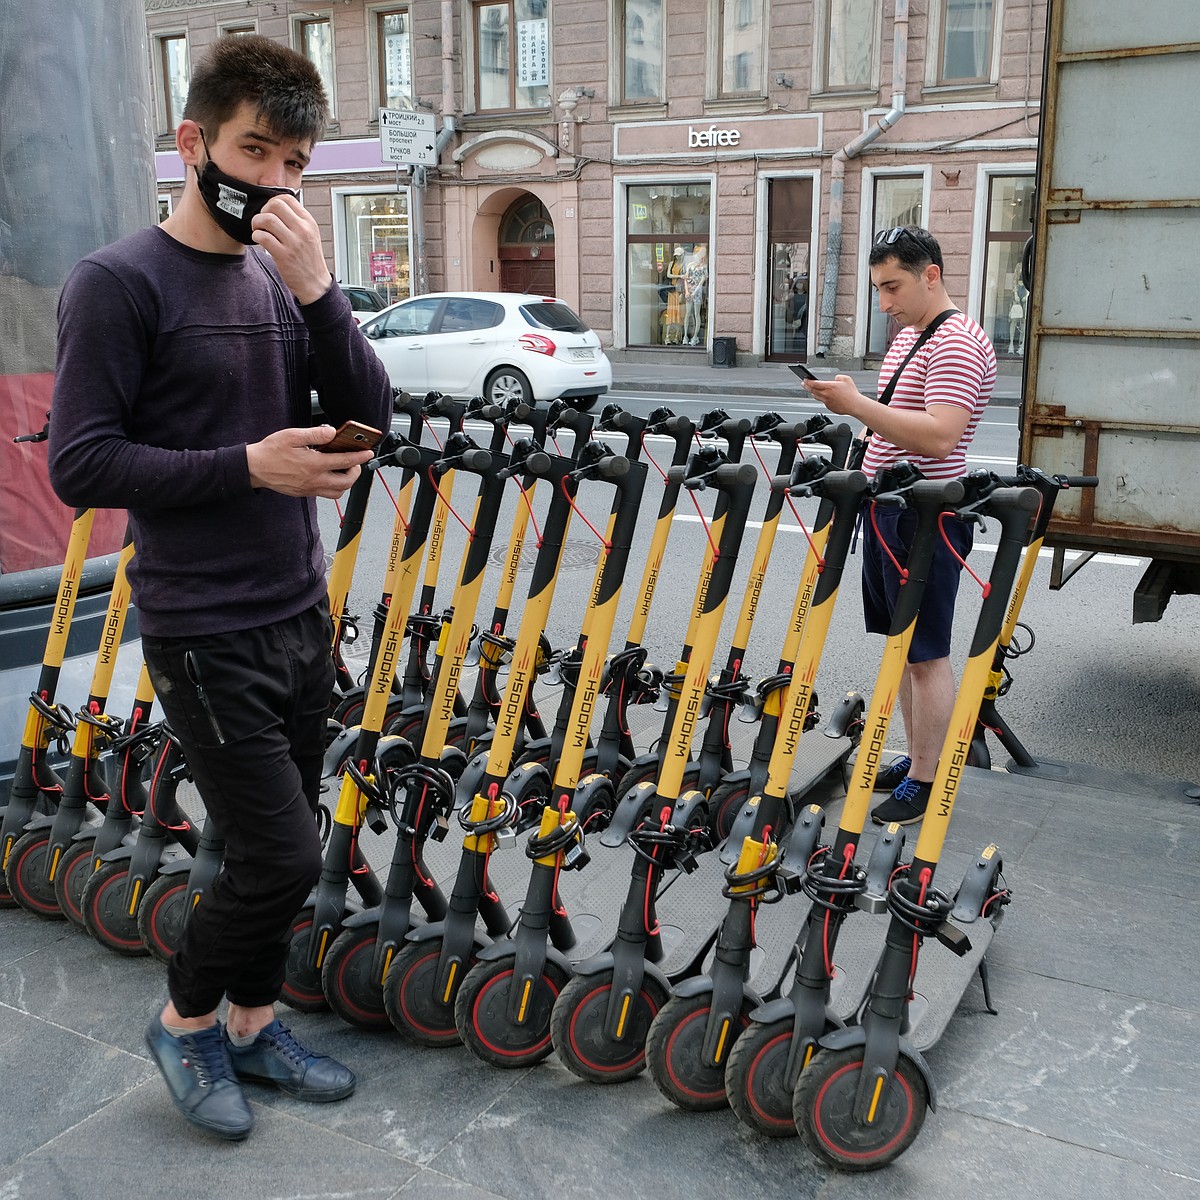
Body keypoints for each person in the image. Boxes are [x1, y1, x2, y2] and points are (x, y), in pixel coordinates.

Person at [47, 35, 393, 1141]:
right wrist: (250, 465)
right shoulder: (115, 284)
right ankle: (187, 1021)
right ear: (193, 142)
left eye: (295, 161)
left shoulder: (277, 278)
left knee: (269, 850)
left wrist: (322, 292)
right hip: (200, 623)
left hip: (296, 606)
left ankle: (252, 1020)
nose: (275, 183)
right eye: (256, 151)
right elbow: (82, 464)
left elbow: (372, 410)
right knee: (283, 852)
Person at [804, 225, 996, 826]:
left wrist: (855, 405)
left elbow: (940, 433)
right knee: (904, 651)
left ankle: (926, 779)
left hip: (925, 517)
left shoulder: (958, 342)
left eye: (893, 287)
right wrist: (858, 405)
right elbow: (896, 422)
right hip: (890, 511)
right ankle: (919, 759)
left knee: (926, 653)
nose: (884, 303)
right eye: (878, 289)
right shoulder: (913, 335)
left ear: (931, 275)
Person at [682, 245, 708, 345]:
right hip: (689, 291)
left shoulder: (703, 267)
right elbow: (685, 278)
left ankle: (695, 336)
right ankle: (685, 336)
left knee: (697, 313)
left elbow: (701, 282)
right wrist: (687, 291)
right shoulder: (690, 265)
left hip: (697, 292)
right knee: (688, 313)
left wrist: (694, 293)